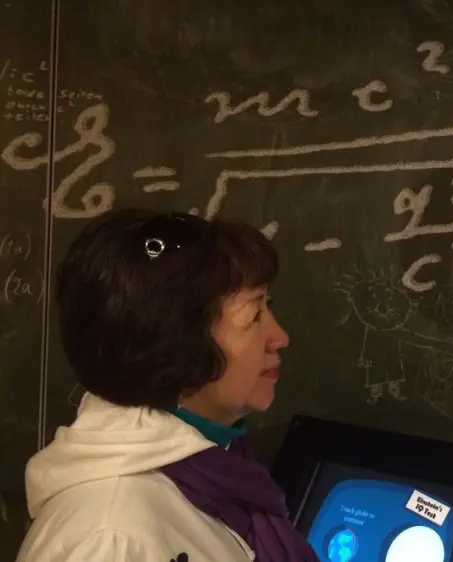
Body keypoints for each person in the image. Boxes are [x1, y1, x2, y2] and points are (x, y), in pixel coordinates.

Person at [16, 209, 319, 562]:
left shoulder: (218, 473)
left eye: (269, 307)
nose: (279, 337)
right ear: (176, 343)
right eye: (254, 316)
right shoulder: (109, 540)